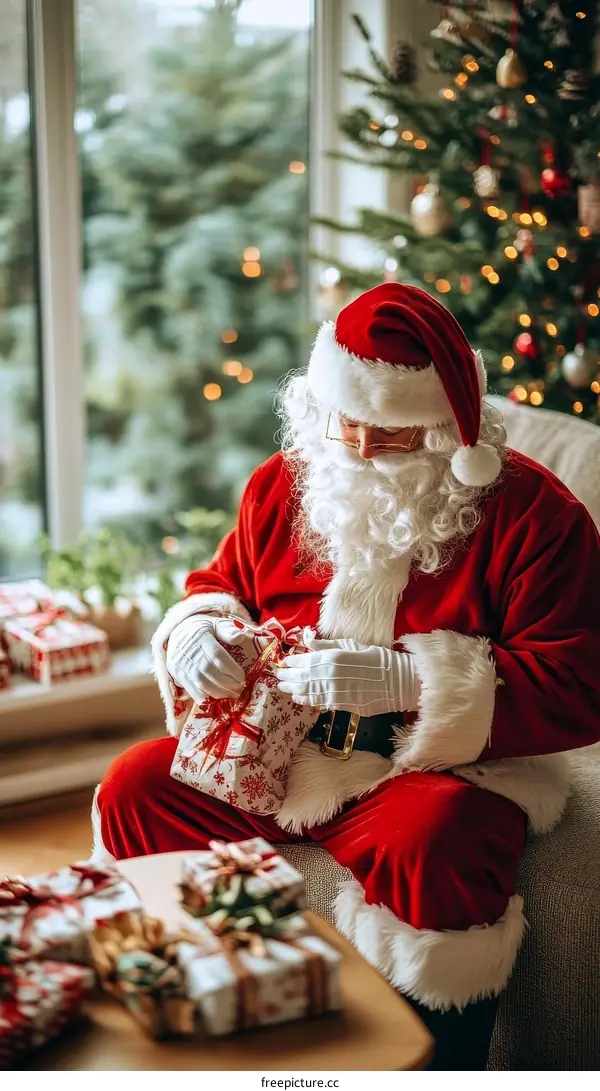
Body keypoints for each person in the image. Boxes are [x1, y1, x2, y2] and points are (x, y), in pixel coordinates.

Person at [93, 282, 600, 1069]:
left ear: (449, 428)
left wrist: (410, 683)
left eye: (390, 431)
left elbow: (578, 682)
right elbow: (220, 583)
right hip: (276, 750)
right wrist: (197, 630)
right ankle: (219, 1011)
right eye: (344, 421)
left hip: (430, 768)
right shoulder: (284, 483)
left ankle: (426, 1064)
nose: (359, 447)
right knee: (136, 787)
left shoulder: (537, 514)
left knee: (440, 836)